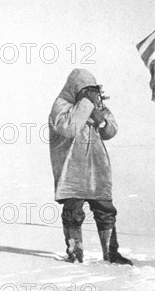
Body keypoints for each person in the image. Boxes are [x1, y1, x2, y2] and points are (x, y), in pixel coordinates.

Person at [49, 68, 132, 265]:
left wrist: (101, 120)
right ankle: (75, 253)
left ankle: (111, 253)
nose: (91, 94)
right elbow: (69, 128)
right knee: (73, 211)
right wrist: (87, 105)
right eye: (86, 90)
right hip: (72, 169)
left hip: (96, 166)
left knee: (105, 209)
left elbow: (111, 131)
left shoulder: (95, 105)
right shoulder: (61, 106)